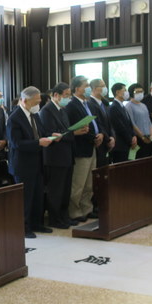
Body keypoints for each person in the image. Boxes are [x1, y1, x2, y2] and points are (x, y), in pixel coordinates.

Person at [7, 87, 57, 238]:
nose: (38, 104)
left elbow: (41, 133)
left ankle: (37, 224)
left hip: (37, 162)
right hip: (23, 164)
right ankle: (24, 227)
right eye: (36, 101)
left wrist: (52, 136)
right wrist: (38, 143)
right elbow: (16, 143)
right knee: (25, 198)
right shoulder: (14, 118)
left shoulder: (34, 115)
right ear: (25, 100)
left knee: (37, 196)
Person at [40, 83, 85, 228]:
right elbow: (51, 133)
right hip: (55, 157)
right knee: (56, 190)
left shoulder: (63, 110)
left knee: (66, 190)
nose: (68, 98)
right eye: (66, 95)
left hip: (67, 155)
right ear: (56, 95)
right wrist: (74, 133)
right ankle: (55, 219)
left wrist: (75, 131)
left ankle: (64, 216)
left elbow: (65, 130)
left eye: (69, 95)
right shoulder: (47, 111)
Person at [65, 75, 102, 222]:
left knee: (89, 183)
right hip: (80, 148)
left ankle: (87, 209)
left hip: (92, 146)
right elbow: (73, 128)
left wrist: (99, 135)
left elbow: (94, 124)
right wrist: (93, 137)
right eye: (85, 85)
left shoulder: (88, 103)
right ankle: (75, 211)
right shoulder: (71, 105)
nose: (88, 88)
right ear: (77, 88)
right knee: (78, 183)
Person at [87, 79, 113, 167]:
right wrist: (108, 139)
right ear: (94, 89)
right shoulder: (90, 103)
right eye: (103, 86)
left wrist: (112, 137)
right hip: (100, 143)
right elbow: (98, 124)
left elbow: (110, 124)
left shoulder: (105, 103)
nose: (105, 88)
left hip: (107, 143)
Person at [108, 83, 137, 164]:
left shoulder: (122, 106)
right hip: (120, 145)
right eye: (125, 90)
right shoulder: (114, 107)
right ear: (117, 92)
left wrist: (133, 135)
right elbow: (119, 127)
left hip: (127, 143)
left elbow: (129, 124)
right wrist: (130, 140)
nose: (127, 92)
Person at [125, 84, 152, 159]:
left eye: (141, 91)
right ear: (131, 93)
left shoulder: (144, 105)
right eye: (137, 92)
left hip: (148, 137)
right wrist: (142, 137)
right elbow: (132, 124)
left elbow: (149, 121)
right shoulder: (129, 106)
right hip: (138, 138)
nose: (140, 93)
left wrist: (151, 135)